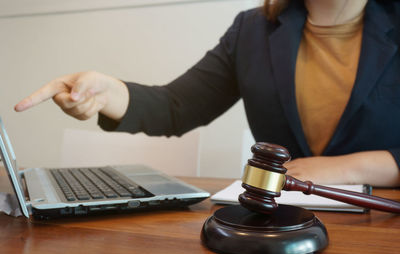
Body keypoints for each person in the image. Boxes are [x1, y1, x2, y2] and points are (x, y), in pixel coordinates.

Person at [14, 0, 400, 187]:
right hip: (285, 226)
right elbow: (178, 106)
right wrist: (109, 93)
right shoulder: (252, 30)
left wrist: (347, 167)